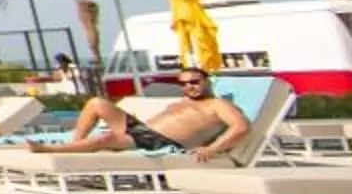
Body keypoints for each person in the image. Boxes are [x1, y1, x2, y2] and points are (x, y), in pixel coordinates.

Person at [27, 66, 246, 160]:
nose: (190, 86)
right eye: (185, 83)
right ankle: (75, 147)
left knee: (107, 138)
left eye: (195, 82)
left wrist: (212, 149)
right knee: (96, 103)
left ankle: (50, 150)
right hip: (142, 130)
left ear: (206, 81)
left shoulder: (218, 105)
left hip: (160, 142)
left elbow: (241, 127)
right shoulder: (181, 101)